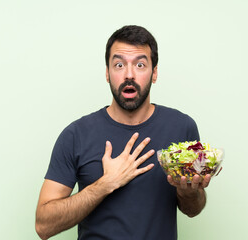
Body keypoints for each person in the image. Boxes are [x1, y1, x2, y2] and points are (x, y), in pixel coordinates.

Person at [35, 25, 211, 240]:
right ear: (108, 73)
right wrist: (105, 184)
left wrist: (188, 192)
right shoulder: (75, 135)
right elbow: (43, 226)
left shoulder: (182, 127)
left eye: (140, 64)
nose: (129, 75)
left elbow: (193, 209)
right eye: (119, 65)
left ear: (154, 73)